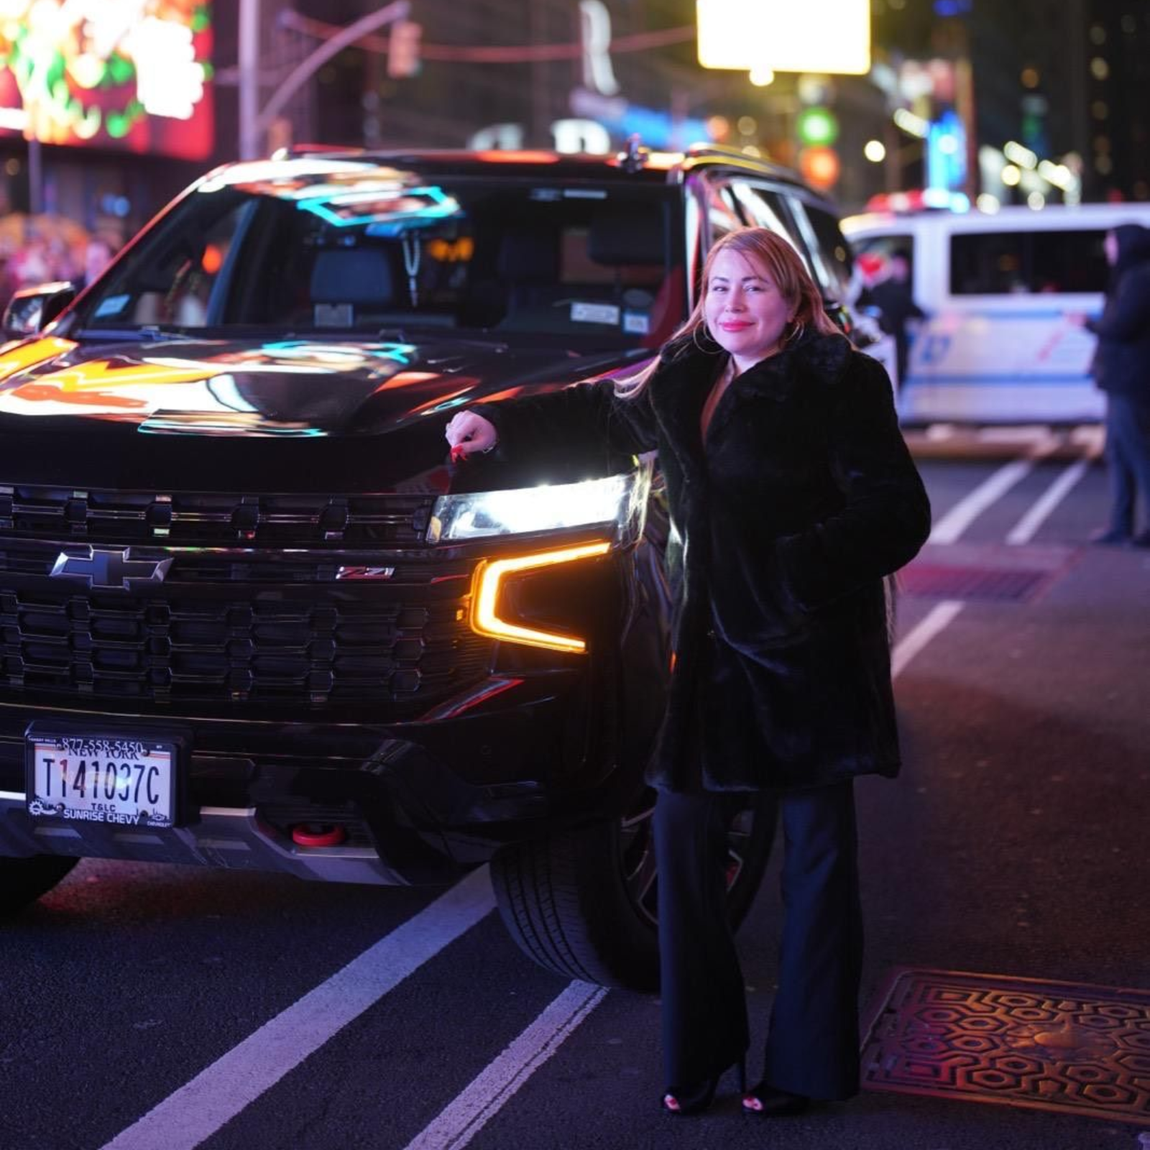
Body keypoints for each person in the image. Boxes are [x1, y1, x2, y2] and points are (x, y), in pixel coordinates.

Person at [445, 227, 931, 1117]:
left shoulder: (839, 380)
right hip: (710, 663)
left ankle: (808, 1070)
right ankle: (701, 1052)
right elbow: (600, 415)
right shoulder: (686, 376)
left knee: (817, 864)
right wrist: (499, 424)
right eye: (717, 287)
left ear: (792, 299)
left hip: (808, 662)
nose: (731, 303)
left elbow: (896, 513)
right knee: (681, 839)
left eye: (752, 287)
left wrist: (788, 579)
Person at [1076, 225, 1150, 547]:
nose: (1107, 249)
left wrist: (1087, 324)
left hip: (1131, 381)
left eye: (1111, 242)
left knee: (1138, 453)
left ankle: (1135, 526)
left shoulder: (1139, 278)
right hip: (1121, 378)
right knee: (1119, 453)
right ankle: (1121, 525)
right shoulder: (1131, 277)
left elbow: (1119, 326)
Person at [858, 250, 925, 387]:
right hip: (897, 348)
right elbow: (918, 313)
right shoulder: (898, 292)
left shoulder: (873, 292)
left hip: (877, 347)